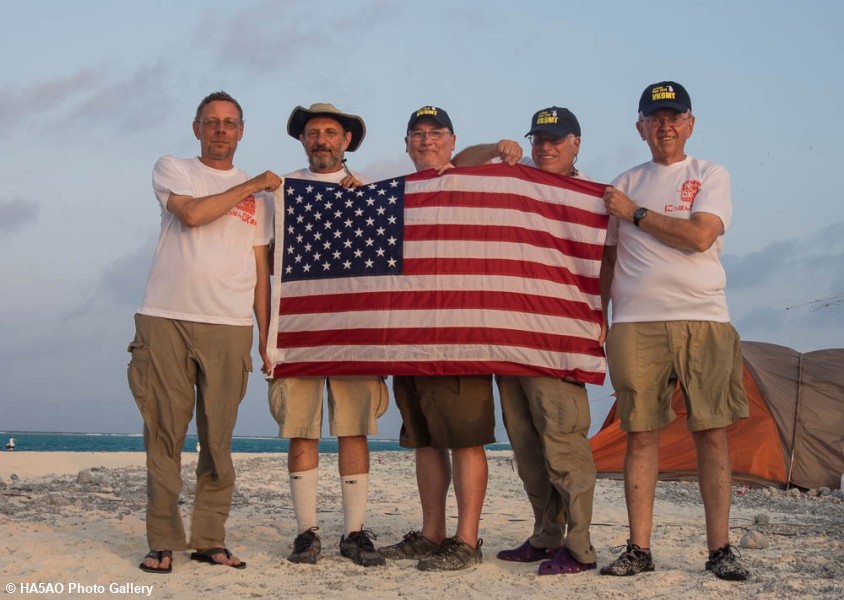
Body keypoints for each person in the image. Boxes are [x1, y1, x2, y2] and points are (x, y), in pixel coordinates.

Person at [599, 81, 750, 581]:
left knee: (711, 433)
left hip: (704, 317)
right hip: (635, 322)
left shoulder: (710, 173)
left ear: (690, 123)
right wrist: (599, 314)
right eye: (654, 118)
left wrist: (636, 213)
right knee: (639, 434)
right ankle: (638, 548)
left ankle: (720, 549)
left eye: (674, 116)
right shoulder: (625, 178)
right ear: (639, 127)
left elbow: (700, 235)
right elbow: (609, 255)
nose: (665, 126)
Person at [128, 91, 280, 573]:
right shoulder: (173, 167)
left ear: (242, 130)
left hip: (229, 326)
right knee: (164, 435)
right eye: (211, 122)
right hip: (165, 317)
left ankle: (210, 539)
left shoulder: (263, 202)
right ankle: (162, 540)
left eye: (230, 123)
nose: (220, 130)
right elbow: (191, 214)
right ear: (197, 129)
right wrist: (254, 183)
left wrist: (267, 335)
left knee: (219, 441)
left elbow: (262, 270)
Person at [453, 107, 600, 576]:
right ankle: (546, 534)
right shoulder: (512, 177)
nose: (545, 147)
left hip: (557, 338)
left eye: (556, 139)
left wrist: (601, 319)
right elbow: (458, 165)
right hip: (510, 338)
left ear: (576, 142)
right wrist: (498, 149)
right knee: (527, 451)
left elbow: (603, 265)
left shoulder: (586, 195)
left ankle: (579, 547)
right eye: (539, 139)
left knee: (563, 446)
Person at [268, 103, 389, 568]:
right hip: (299, 329)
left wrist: (368, 203)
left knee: (354, 429)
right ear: (303, 140)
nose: (321, 139)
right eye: (313, 132)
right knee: (301, 430)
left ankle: (354, 532)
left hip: (355, 331)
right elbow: (267, 258)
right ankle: (306, 533)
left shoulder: (369, 193)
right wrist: (269, 335)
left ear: (347, 141)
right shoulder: (282, 190)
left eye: (331, 132)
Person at [378, 106, 496, 572]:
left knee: (466, 439)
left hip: (461, 334)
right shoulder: (396, 193)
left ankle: (467, 540)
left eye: (436, 133)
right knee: (424, 440)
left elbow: (474, 159)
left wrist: (496, 148)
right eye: (417, 134)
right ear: (406, 143)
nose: (427, 141)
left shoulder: (469, 181)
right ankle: (433, 533)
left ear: (451, 140)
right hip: (410, 335)